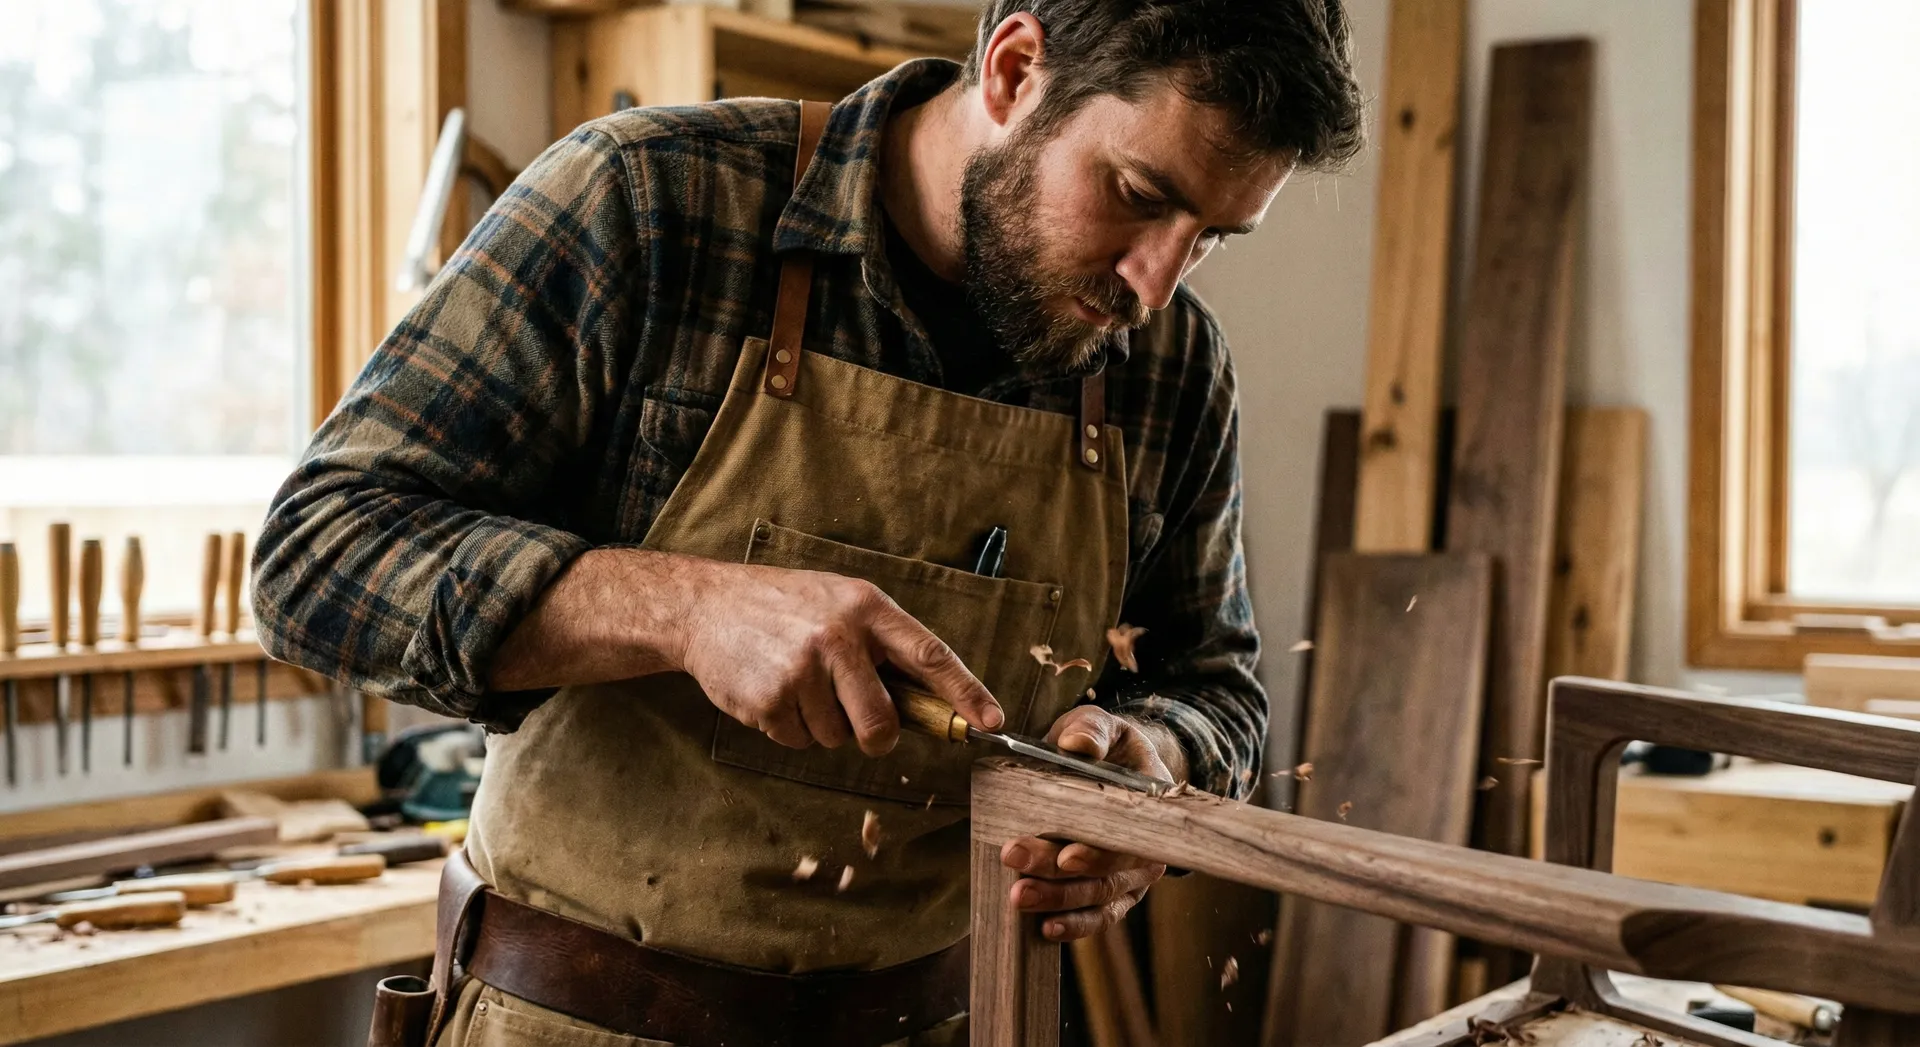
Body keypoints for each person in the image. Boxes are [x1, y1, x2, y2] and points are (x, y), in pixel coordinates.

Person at [255, 1, 1363, 1044]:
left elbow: (1215, 690)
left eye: (1213, 234)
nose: (1155, 282)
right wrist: (683, 610)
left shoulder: (1168, 369)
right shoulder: (650, 204)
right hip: (576, 1019)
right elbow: (316, 560)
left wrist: (1150, 768)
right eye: (1135, 191)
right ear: (1018, 71)